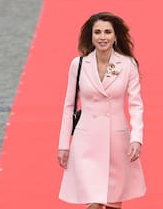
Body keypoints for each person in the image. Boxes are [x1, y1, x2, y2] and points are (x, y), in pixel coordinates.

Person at [57, 12, 146, 209]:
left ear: (115, 36)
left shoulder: (128, 64)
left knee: (113, 202)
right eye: (97, 32)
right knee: (94, 203)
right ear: (91, 36)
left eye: (107, 32)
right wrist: (64, 144)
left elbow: (136, 105)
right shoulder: (78, 64)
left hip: (116, 141)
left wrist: (136, 138)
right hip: (86, 141)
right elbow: (69, 106)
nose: (102, 37)